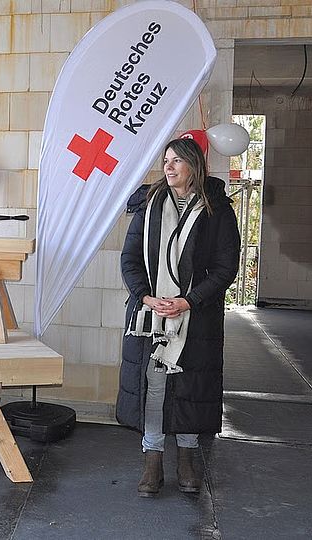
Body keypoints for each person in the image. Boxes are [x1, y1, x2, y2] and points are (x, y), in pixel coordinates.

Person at [117, 137, 241, 497]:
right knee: (153, 389)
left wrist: (188, 301)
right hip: (151, 314)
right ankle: (152, 459)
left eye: (176, 161)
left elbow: (225, 266)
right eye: (166, 160)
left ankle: (187, 458)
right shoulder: (148, 205)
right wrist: (145, 296)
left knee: (190, 386)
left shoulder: (217, 208)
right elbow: (130, 259)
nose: (168, 167)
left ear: (194, 166)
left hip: (196, 316)